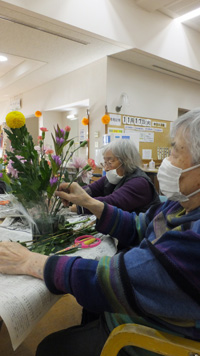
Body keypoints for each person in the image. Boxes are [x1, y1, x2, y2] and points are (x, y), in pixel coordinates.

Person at [1, 108, 200, 356]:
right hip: (136, 305)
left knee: (50, 348)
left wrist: (30, 261)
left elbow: (114, 280)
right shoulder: (180, 203)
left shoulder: (193, 235)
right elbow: (140, 225)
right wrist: (90, 202)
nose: (167, 160)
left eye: (174, 150)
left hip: (149, 333)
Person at [71, 139, 160, 214]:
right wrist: (71, 191)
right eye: (105, 162)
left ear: (126, 161)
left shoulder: (139, 183)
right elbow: (92, 189)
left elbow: (112, 202)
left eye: (110, 161)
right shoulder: (114, 177)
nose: (106, 168)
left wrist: (79, 206)